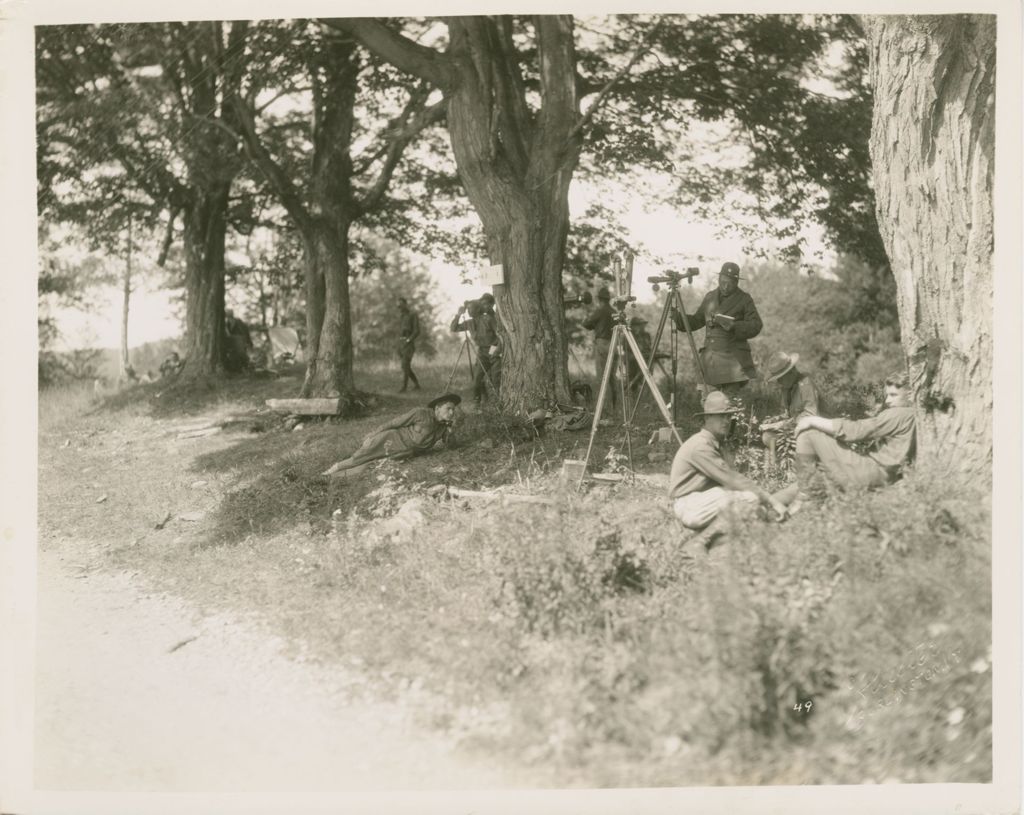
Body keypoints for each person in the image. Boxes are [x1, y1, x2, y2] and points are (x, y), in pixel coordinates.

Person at [669, 390, 789, 541]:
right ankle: (702, 540)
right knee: (748, 499)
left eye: (728, 416)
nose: (727, 421)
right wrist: (773, 501)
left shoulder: (716, 443)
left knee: (746, 502)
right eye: (721, 416)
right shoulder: (700, 446)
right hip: (688, 504)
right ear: (708, 418)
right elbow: (733, 479)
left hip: (701, 499)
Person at [790, 370, 916, 494]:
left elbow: (857, 431)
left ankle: (805, 495)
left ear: (910, 395)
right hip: (886, 475)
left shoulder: (900, 413)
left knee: (808, 434)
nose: (887, 400)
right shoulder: (917, 416)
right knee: (802, 487)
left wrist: (813, 420)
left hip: (873, 472)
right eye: (887, 395)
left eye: (893, 395)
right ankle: (779, 502)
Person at [671, 261, 762, 397]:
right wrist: (678, 318)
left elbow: (756, 325)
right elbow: (696, 321)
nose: (725, 287)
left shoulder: (744, 299)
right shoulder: (710, 297)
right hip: (710, 359)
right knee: (708, 402)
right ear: (719, 279)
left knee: (729, 404)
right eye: (723, 282)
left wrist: (734, 326)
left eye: (730, 283)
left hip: (732, 360)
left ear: (736, 282)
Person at [322, 393, 461, 478]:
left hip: (404, 452)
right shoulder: (420, 413)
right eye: (448, 408)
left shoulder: (443, 427)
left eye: (453, 410)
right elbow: (394, 423)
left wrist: (451, 431)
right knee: (359, 458)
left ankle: (335, 478)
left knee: (370, 467)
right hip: (390, 439)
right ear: (437, 408)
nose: (451, 412)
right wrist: (373, 435)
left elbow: (451, 446)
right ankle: (331, 470)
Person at [760, 351, 822, 468]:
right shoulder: (786, 387)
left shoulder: (806, 384)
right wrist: (774, 420)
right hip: (795, 428)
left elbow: (811, 414)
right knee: (767, 436)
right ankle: (777, 468)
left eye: (781, 378)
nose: (778, 382)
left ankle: (798, 466)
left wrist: (781, 424)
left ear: (791, 372)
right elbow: (787, 413)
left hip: (813, 429)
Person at [450, 293, 499, 406]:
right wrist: (458, 314)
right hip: (482, 352)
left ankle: (497, 403)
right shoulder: (470, 323)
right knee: (477, 379)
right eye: (468, 309)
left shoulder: (488, 319)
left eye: (471, 308)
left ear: (478, 308)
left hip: (494, 350)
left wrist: (493, 352)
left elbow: (499, 337)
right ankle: (477, 402)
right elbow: (454, 328)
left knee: (496, 379)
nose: (469, 311)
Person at [582, 287, 616, 413]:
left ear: (599, 299)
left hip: (602, 343)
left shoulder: (600, 311)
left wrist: (587, 318)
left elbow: (586, 324)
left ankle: (604, 408)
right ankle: (613, 407)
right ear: (608, 299)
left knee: (602, 376)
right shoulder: (614, 311)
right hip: (614, 343)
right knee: (612, 376)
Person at [397, 297, 421, 392]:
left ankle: (404, 387)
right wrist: (399, 343)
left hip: (409, 344)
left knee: (405, 365)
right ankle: (417, 384)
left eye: (401, 305)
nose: (400, 308)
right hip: (401, 343)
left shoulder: (413, 315)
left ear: (406, 304)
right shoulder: (401, 316)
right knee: (405, 366)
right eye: (398, 306)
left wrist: (408, 340)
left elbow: (417, 330)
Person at [626, 315, 653, 393]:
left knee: (647, 371)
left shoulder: (646, 335)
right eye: (639, 325)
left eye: (643, 324)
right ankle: (631, 389)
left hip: (644, 357)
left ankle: (644, 390)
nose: (642, 326)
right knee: (633, 375)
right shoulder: (629, 335)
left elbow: (648, 347)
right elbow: (627, 349)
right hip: (632, 358)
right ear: (633, 326)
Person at [224, 308, 254, 373]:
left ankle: (245, 367)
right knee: (234, 354)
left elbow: (245, 331)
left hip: (239, 339)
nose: (227, 315)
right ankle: (238, 368)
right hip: (234, 340)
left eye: (228, 314)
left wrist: (247, 341)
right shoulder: (227, 323)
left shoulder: (237, 321)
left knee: (241, 354)